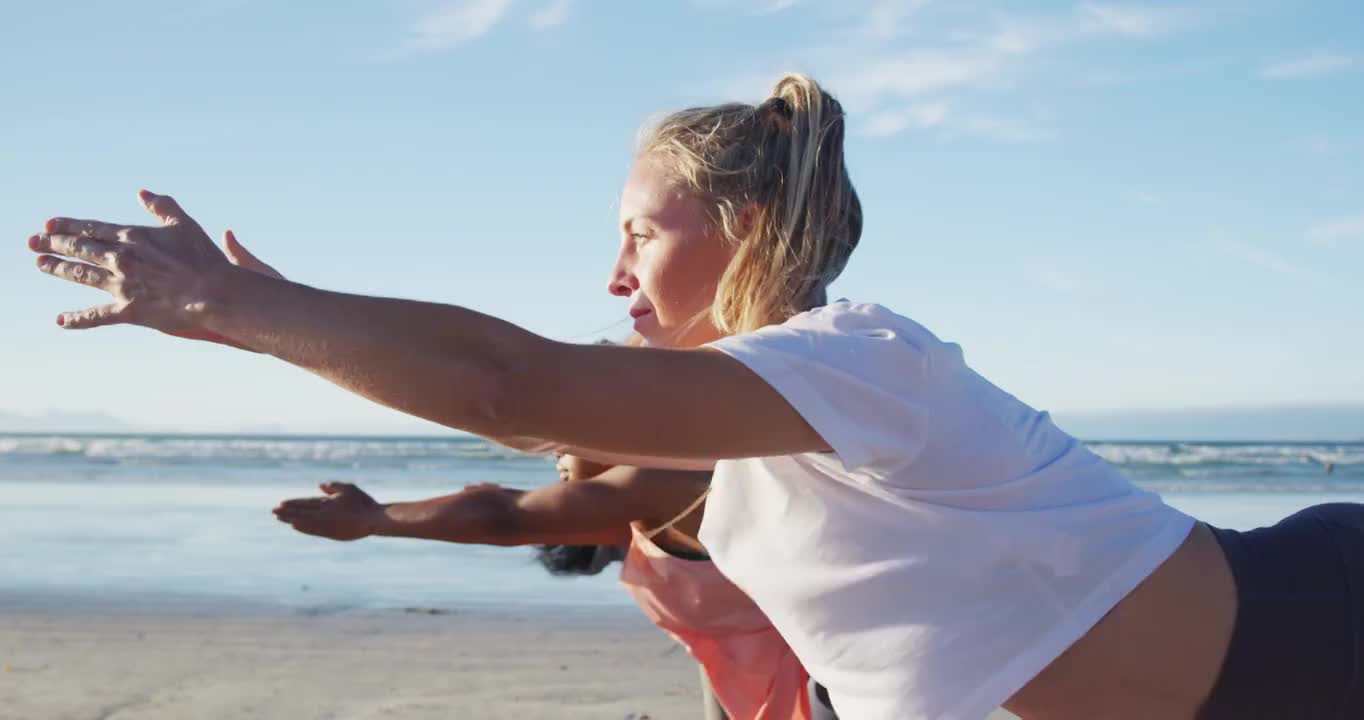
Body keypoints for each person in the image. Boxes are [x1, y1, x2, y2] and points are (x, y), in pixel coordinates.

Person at [27, 73, 1362, 718]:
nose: (612, 274)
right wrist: (286, 353)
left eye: (639, 234)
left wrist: (249, 308)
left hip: (1316, 629)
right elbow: (549, 445)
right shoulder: (740, 438)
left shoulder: (862, 359)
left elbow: (510, 386)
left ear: (737, 228)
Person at [272, 453, 824, 720]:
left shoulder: (671, 493)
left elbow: (504, 514)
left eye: (568, 437)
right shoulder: (639, 520)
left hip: (837, 688)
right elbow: (506, 512)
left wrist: (377, 518)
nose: (556, 452)